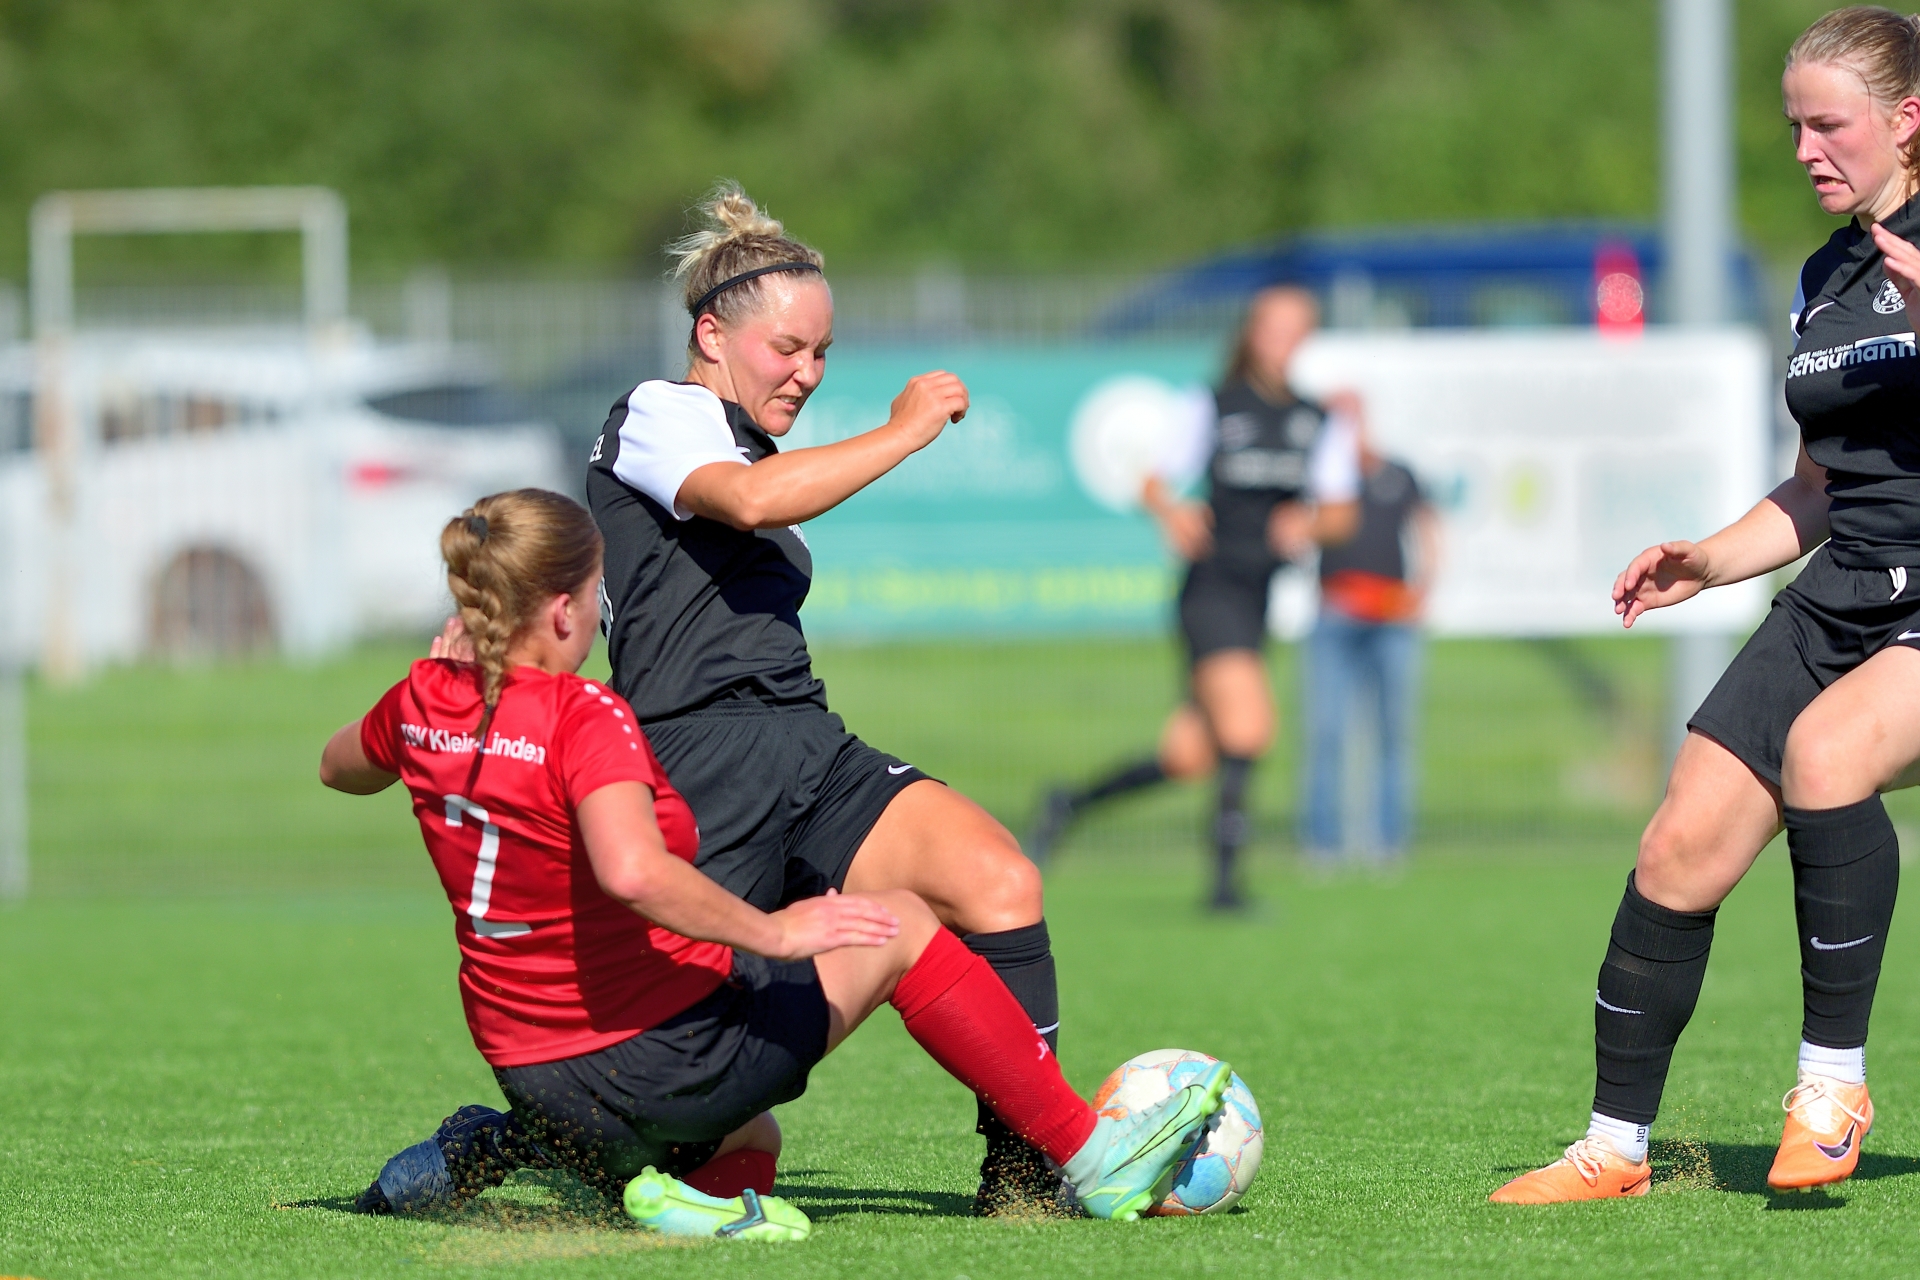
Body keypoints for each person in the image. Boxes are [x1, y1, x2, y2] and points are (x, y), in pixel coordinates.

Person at [320, 489, 1231, 1238]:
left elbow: (338, 768)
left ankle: (683, 1204)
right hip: (645, 1065)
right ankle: (1092, 1157)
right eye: (597, 600)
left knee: (753, 1131)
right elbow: (634, 870)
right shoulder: (581, 714)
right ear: (560, 609)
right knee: (904, 922)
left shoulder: (417, 701)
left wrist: (436, 688)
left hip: (532, 1077)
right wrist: (775, 927)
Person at [1492, 5, 1920, 1203]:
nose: (1804, 147)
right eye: (1792, 124)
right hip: (1843, 589)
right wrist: (1709, 560)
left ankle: (1831, 1086)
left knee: (1828, 752)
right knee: (1678, 843)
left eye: (1827, 122)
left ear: (1908, 118)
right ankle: (1613, 1148)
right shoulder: (1830, 271)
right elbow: (1819, 486)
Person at [584, 184, 1076, 1213]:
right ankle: (499, 1144)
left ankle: (1028, 1170)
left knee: (998, 878)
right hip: (697, 768)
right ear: (712, 334)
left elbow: (770, 490)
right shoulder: (657, 414)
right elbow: (752, 501)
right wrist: (903, 430)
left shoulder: (749, 446)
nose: (807, 373)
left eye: (822, 354)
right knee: (679, 1103)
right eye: (789, 348)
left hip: (807, 745)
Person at [1024, 286, 1362, 908]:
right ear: (1251, 333)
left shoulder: (1317, 419)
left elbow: (1342, 514)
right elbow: (1154, 481)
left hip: (1256, 598)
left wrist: (1308, 523)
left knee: (1188, 756)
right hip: (1210, 590)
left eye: (1295, 330)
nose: (1281, 341)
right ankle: (1226, 885)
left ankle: (1066, 804)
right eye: (1271, 327)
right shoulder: (1211, 403)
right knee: (1251, 726)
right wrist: (1170, 512)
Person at [1301, 421, 1440, 865]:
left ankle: (1388, 842)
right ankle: (1322, 844)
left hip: (1391, 616)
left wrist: (1424, 588)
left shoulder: (1397, 475)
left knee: (1393, 733)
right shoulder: (1321, 477)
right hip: (1337, 613)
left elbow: (1428, 528)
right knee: (1326, 730)